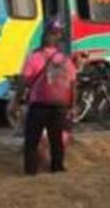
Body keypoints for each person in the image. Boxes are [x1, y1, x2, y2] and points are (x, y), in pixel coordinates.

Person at [18, 20, 77, 175]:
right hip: (59, 105)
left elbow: (23, 81)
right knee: (56, 139)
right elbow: (72, 84)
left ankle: (31, 171)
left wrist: (17, 101)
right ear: (57, 41)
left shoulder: (34, 57)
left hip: (39, 105)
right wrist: (72, 105)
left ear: (43, 38)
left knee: (32, 140)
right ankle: (57, 168)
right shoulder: (65, 60)